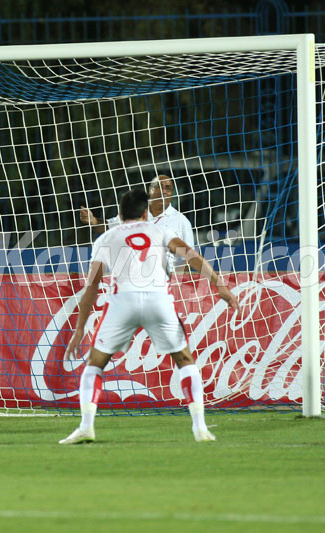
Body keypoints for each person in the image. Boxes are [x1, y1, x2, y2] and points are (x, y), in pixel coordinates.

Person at [60, 188, 239, 444]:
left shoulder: (106, 238)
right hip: (158, 299)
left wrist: (79, 330)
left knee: (95, 364)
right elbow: (192, 255)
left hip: (122, 302)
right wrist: (218, 283)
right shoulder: (160, 231)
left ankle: (86, 426)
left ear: (120, 214)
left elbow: (92, 285)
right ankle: (200, 427)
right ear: (146, 213)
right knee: (185, 360)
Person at [80, 174, 195, 271]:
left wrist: (177, 282)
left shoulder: (181, 221)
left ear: (172, 193)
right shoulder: (135, 211)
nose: (163, 191)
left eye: (168, 188)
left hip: (163, 283)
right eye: (159, 186)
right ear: (150, 190)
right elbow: (108, 227)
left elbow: (188, 258)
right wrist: (93, 221)